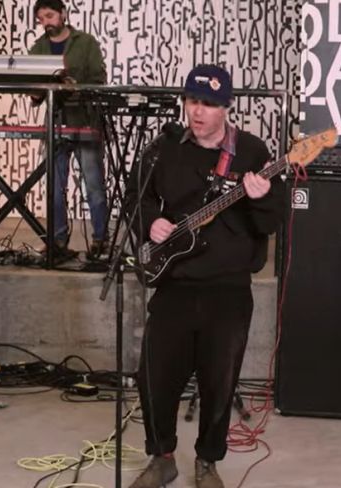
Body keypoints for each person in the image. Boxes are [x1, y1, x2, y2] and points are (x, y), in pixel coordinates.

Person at [124, 64, 284, 488]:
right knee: (154, 377)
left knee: (219, 381)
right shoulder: (164, 149)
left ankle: (207, 461)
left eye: (209, 104)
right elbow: (135, 198)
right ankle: (162, 457)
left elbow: (271, 222)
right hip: (174, 282)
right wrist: (152, 222)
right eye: (193, 102)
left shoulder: (251, 152)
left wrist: (261, 198)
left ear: (226, 108)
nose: (198, 112)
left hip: (227, 287)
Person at [29, 0, 108, 258]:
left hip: (85, 119)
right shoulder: (38, 48)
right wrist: (35, 92)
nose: (46, 23)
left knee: (94, 185)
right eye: (41, 19)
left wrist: (75, 84)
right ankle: (58, 241)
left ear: (62, 13)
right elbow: (32, 86)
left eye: (49, 16)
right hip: (54, 121)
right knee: (53, 186)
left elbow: (99, 79)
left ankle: (100, 240)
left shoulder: (86, 43)